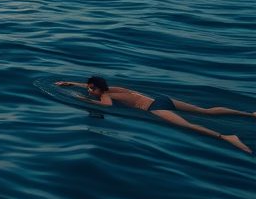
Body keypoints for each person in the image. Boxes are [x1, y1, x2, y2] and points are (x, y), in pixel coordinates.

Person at [56, 77, 253, 154]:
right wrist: (73, 83)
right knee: (205, 111)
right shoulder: (113, 87)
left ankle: (227, 137)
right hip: (162, 98)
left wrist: (82, 100)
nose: (89, 91)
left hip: (153, 108)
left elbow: (105, 105)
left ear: (99, 88)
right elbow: (98, 90)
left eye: (91, 89)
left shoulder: (105, 95)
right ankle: (249, 114)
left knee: (188, 125)